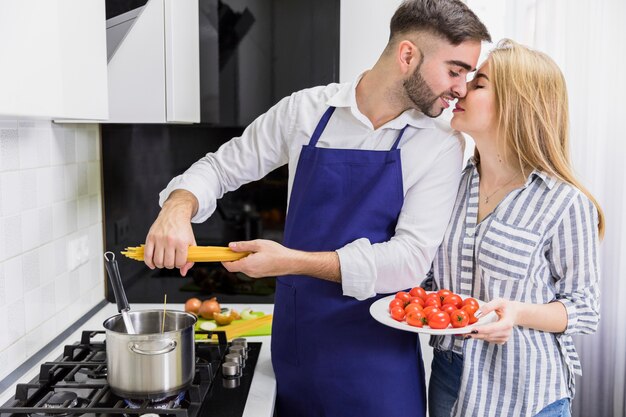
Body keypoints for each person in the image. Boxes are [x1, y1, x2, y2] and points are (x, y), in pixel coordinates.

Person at [144, 1, 490, 415]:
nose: (461, 88)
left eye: (468, 75)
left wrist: (292, 262)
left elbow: (409, 260)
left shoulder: (439, 144)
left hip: (377, 364)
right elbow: (221, 166)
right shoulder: (306, 111)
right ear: (408, 55)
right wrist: (178, 208)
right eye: (455, 71)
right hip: (298, 351)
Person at [423, 39, 603, 417]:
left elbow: (584, 310)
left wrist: (518, 313)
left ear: (517, 103)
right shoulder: (450, 186)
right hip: (449, 379)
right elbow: (430, 279)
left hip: (528, 392)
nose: (460, 89)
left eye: (479, 83)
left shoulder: (565, 203)